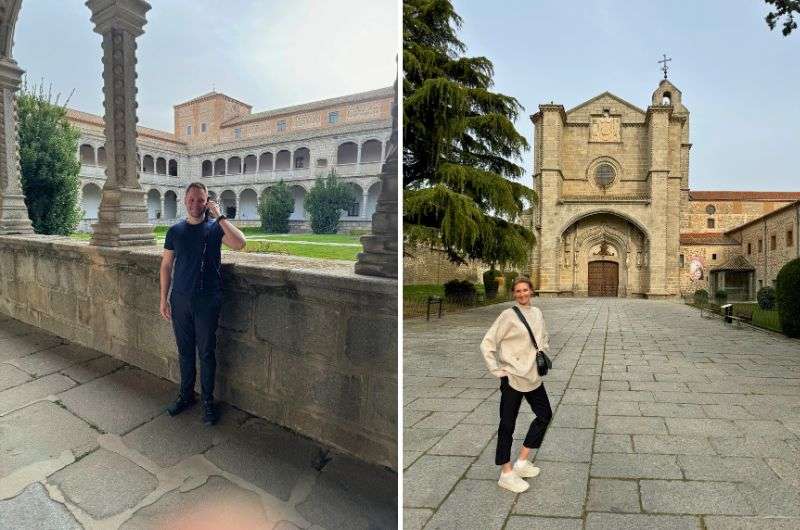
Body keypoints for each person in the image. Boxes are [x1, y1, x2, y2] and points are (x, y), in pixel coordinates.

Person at [159, 182, 247, 425]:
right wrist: (163, 299)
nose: (195, 204)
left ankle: (208, 402)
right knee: (185, 352)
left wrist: (219, 216)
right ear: (184, 201)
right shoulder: (175, 231)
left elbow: (240, 243)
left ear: (207, 201)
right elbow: (166, 266)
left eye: (200, 200)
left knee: (206, 353)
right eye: (191, 200)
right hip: (180, 300)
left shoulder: (214, 228)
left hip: (208, 300)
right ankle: (186, 395)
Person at [480, 276, 553, 493]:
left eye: (525, 290)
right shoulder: (508, 316)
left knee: (545, 415)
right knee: (507, 425)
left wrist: (541, 350)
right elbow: (487, 343)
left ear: (531, 291)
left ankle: (522, 461)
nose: (522, 294)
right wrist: (497, 369)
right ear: (514, 294)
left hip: (533, 376)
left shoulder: (537, 313)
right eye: (518, 291)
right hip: (512, 378)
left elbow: (543, 337)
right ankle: (506, 472)